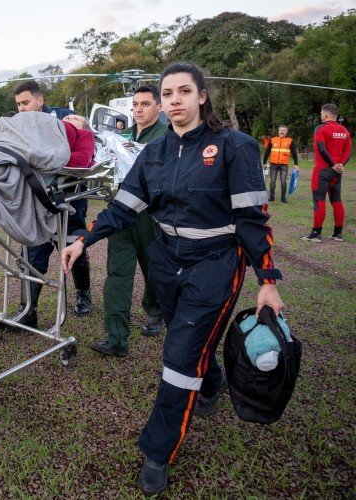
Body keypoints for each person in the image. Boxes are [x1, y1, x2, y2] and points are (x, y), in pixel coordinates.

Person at [61, 62, 284, 495]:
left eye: (184, 91)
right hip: (166, 262)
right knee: (192, 341)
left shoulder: (234, 147)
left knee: (179, 357)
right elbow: (123, 208)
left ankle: (158, 451)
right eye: (168, 94)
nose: (175, 100)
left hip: (216, 264)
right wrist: (84, 241)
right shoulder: (154, 153)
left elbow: (253, 221)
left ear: (202, 96)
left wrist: (268, 279)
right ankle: (213, 383)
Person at [92, 85, 169, 358]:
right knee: (117, 274)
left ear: (159, 107)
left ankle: (156, 311)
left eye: (146, 104)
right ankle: (116, 338)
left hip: (152, 217)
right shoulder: (121, 136)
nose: (138, 109)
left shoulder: (167, 135)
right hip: (122, 214)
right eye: (135, 104)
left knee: (155, 272)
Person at [13, 80, 92, 326]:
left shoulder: (64, 118)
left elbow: (84, 148)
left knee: (73, 247)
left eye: (25, 102)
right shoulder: (21, 126)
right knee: (33, 251)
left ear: (40, 100)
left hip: (70, 197)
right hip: (37, 200)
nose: (22, 109)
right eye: (18, 105)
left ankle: (84, 295)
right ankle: (28, 310)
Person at [302, 103, 351, 242]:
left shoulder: (320, 128)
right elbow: (348, 151)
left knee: (319, 200)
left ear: (326, 115)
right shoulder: (344, 131)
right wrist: (340, 164)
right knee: (336, 200)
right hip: (337, 172)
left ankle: (316, 233)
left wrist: (332, 165)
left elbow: (321, 149)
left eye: (322, 113)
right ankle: (338, 233)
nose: (321, 116)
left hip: (323, 170)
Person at [263, 125, 299, 203]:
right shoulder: (272, 140)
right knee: (272, 181)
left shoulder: (290, 141)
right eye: (281, 130)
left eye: (284, 130)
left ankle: (283, 198)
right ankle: (271, 197)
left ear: (286, 132)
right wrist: (264, 162)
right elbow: (267, 151)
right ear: (278, 131)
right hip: (273, 164)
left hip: (284, 165)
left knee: (283, 181)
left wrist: (296, 163)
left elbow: (294, 153)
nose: (282, 132)